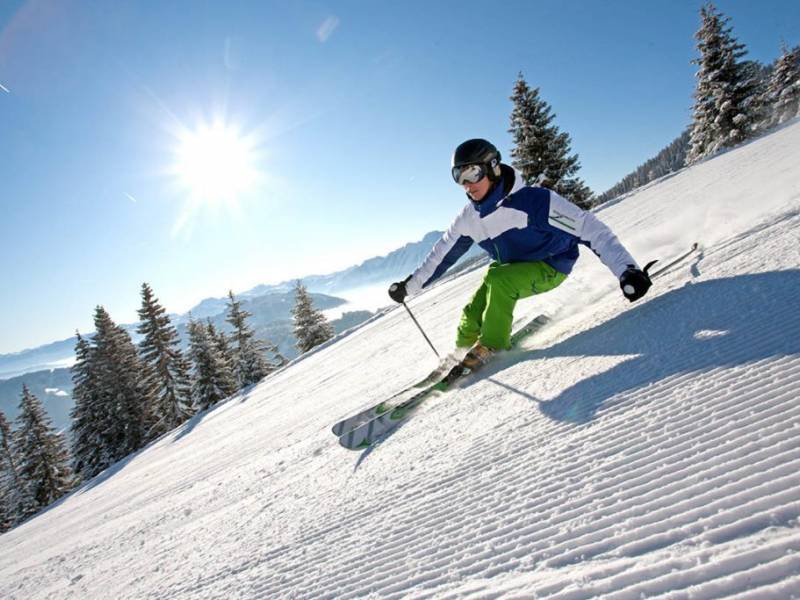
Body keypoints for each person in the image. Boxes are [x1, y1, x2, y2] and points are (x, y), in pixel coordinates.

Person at [388, 138, 652, 371]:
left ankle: (491, 346)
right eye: (459, 176)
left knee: (500, 280)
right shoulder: (469, 218)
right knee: (478, 302)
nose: (467, 185)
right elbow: (440, 256)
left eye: (472, 173)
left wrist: (626, 270)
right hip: (511, 269)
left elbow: (590, 229)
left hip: (551, 265)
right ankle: (462, 349)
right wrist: (408, 287)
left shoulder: (535, 202)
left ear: (492, 167)